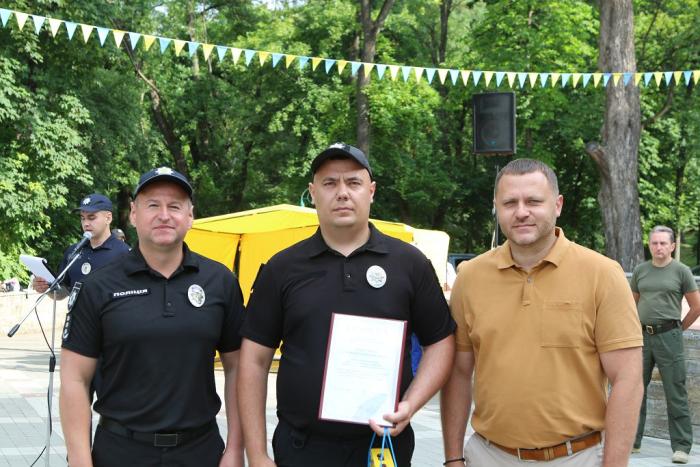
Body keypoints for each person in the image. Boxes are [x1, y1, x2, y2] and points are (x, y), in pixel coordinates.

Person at [238, 142, 456, 467]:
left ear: (371, 191)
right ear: (313, 193)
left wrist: (411, 404)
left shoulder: (410, 264)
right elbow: (254, 360)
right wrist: (256, 454)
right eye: (330, 183)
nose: (342, 193)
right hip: (302, 449)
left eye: (353, 182)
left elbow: (440, 342)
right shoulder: (282, 268)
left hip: (383, 446)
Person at [441, 158, 643, 467]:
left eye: (534, 201)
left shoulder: (602, 274)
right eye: (510, 203)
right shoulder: (470, 277)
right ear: (496, 208)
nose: (521, 212)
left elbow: (628, 378)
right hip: (488, 456)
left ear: (558, 205)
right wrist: (453, 458)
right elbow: (458, 372)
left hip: (577, 458)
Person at [59, 167, 245, 467]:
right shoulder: (99, 286)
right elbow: (74, 378)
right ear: (134, 214)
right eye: (153, 205)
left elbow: (239, 369)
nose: (164, 215)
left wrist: (235, 449)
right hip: (120, 452)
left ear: (190, 216)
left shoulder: (220, 281)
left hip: (200, 451)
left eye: (175, 206)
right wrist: (80, 461)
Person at [631, 225, 700, 464]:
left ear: (672, 246)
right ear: (649, 245)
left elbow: (696, 306)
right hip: (641, 337)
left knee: (675, 391)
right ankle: (632, 441)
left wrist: (679, 328)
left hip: (669, 336)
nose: (658, 247)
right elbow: (631, 304)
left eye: (663, 243)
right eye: (654, 243)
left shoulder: (681, 271)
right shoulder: (640, 271)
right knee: (634, 389)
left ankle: (681, 447)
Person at [33, 194, 130, 299]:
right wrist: (46, 288)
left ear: (108, 218)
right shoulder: (73, 252)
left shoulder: (124, 253)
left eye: (91, 218)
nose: (86, 223)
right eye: (82, 218)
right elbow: (63, 293)